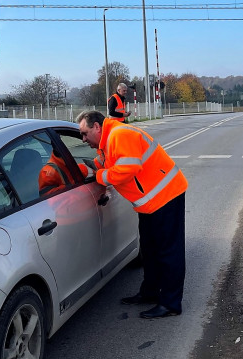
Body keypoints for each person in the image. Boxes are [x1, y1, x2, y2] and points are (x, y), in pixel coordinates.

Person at [77, 110, 187, 319]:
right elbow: (107, 163)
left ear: (97, 127)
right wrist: (85, 170)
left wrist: (99, 176)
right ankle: (150, 293)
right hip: (150, 204)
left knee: (169, 253)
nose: (83, 139)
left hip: (166, 197)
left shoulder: (120, 135)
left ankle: (171, 304)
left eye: (84, 133)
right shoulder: (108, 141)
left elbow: (127, 169)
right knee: (150, 250)